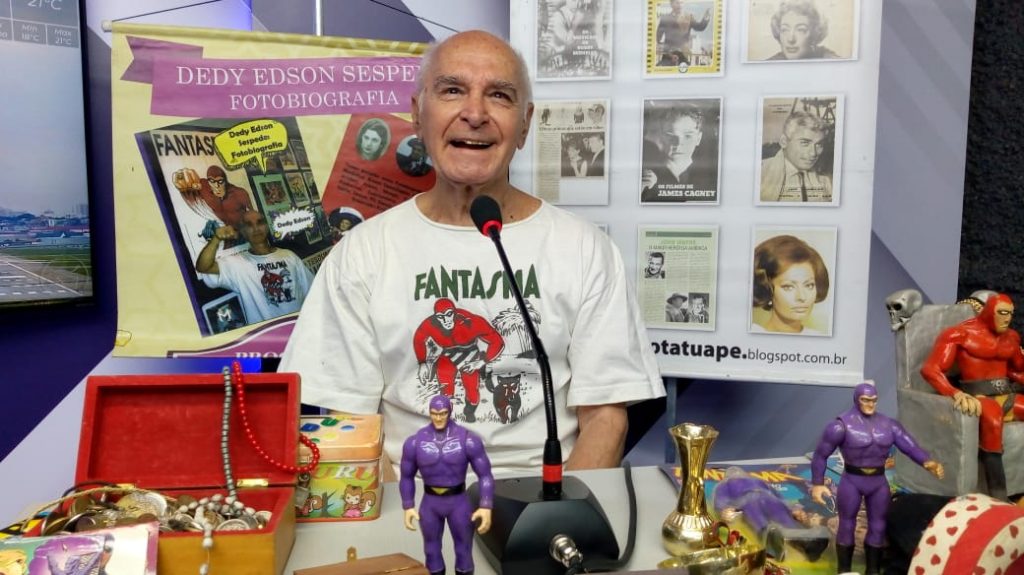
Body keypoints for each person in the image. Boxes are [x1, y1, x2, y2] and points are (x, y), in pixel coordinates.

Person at [279, 30, 664, 476]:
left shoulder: (585, 249)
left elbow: (606, 419)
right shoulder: (362, 253)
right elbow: (350, 425)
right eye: (452, 91)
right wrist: (403, 510)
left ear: (525, 124)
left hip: (543, 496)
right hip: (409, 496)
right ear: (417, 114)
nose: (475, 114)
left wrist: (562, 509)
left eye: (499, 95)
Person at [810, 383, 944, 575]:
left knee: (878, 525)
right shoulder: (840, 426)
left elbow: (909, 446)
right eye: (865, 400)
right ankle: (844, 570)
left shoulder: (889, 425)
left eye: (873, 400)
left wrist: (927, 461)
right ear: (857, 399)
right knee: (847, 524)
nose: (870, 404)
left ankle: (873, 570)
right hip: (852, 480)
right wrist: (817, 483)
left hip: (878, 481)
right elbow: (820, 454)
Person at [920, 292, 1024, 501]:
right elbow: (931, 369)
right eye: (1002, 313)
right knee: (993, 421)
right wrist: (955, 393)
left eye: (1010, 314)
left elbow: (1016, 370)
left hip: (1008, 394)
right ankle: (998, 495)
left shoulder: (1011, 337)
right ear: (989, 312)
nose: (1007, 318)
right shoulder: (959, 334)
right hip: (979, 396)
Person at [402, 395, 494, 575]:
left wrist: (486, 505)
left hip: (458, 502)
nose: (438, 418)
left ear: (450, 411)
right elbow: (406, 476)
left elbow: (485, 475)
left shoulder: (468, 440)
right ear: (429, 413)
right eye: (434, 413)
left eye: (443, 413)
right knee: (431, 550)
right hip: (430, 503)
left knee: (464, 549)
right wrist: (408, 505)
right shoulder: (415, 442)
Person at [196, 210, 315, 324]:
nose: (256, 228)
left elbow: (312, 291)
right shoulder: (238, 264)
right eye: (249, 225)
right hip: (268, 334)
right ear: (243, 232)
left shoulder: (289, 256)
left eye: (260, 222)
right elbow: (204, 267)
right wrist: (216, 239)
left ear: (267, 226)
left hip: (299, 327)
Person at [413, 298, 505, 422]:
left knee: (472, 389)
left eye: (449, 314)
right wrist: (422, 362)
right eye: (440, 317)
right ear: (436, 317)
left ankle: (469, 411)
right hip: (447, 354)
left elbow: (497, 341)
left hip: (469, 353)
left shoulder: (471, 321)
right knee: (445, 387)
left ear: (455, 313)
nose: (445, 320)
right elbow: (418, 339)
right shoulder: (430, 323)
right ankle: (446, 416)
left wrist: (482, 361)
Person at [751, 234, 829, 334]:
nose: (802, 297)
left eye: (809, 285)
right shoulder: (752, 334)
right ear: (766, 289)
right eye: (788, 287)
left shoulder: (818, 337)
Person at [641, 104, 717, 202]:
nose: (678, 143)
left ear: (698, 138)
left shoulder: (710, 176)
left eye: (688, 136)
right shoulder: (646, 174)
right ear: (661, 136)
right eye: (670, 135)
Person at [760, 111, 833, 202]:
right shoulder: (760, 173)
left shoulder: (825, 181)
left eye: (819, 144)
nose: (813, 153)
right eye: (805, 143)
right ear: (784, 142)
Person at [172, 165, 254, 232]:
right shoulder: (204, 188)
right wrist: (183, 185)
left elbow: (253, 215)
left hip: (243, 232)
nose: (217, 186)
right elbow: (189, 190)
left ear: (225, 181)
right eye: (212, 181)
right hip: (226, 233)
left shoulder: (239, 193)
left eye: (220, 181)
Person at [767, 0, 839, 61]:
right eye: (784, 30)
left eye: (800, 30)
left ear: (814, 34)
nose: (791, 39)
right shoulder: (771, 64)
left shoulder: (832, 62)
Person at [656, 0, 711, 65]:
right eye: (677, 3)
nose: (680, 5)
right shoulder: (665, 18)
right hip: (669, 55)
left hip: (684, 54)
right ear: (671, 4)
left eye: (681, 3)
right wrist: (666, 51)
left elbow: (699, 27)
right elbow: (658, 37)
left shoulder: (689, 17)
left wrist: (706, 18)